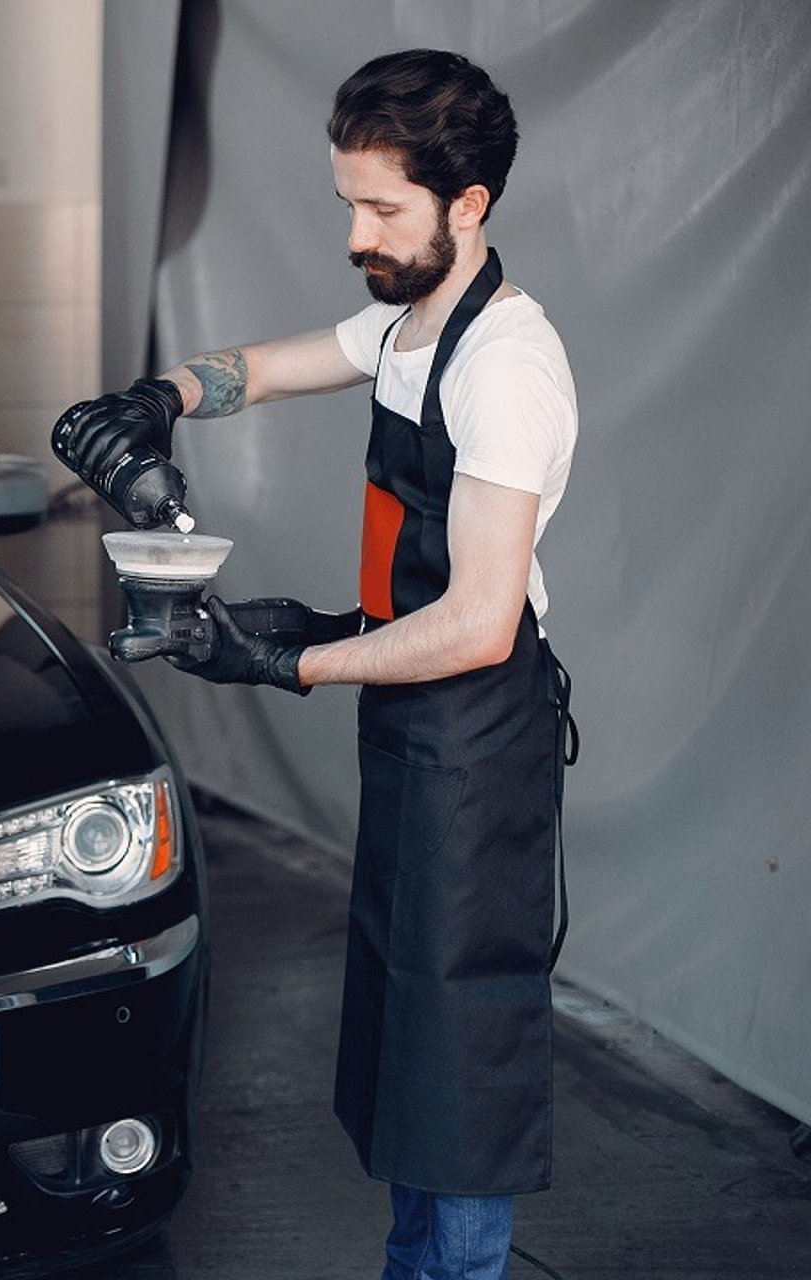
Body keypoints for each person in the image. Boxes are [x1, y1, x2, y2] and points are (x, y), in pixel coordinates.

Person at [53, 49, 577, 1280]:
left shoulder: (506, 366)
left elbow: (479, 620)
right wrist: (159, 397)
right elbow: (276, 365)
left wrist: (286, 658)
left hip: (477, 733)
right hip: (413, 722)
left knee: (459, 1052)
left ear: (468, 204)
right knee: (408, 1027)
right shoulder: (408, 323)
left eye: (382, 209)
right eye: (349, 202)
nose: (356, 235)